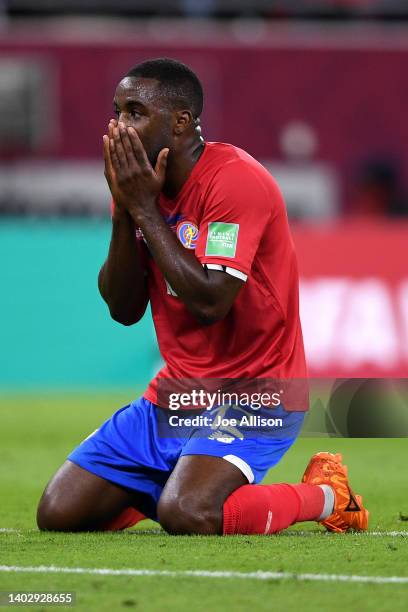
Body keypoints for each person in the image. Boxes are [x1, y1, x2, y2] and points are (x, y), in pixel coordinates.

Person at [37, 58, 368, 535]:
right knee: (60, 515)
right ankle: (175, 480)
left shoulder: (234, 182)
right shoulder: (139, 187)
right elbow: (123, 310)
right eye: (117, 111)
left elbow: (211, 303)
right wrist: (124, 213)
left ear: (180, 122)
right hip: (177, 393)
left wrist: (146, 211)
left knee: (189, 514)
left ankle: (327, 496)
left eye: (135, 112)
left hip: (258, 391)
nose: (118, 125)